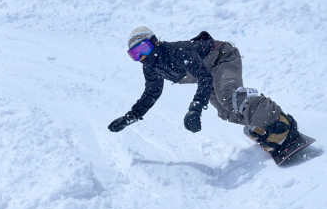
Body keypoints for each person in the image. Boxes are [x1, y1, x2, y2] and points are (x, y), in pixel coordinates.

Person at [108, 26, 299, 157]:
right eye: (135, 54)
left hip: (223, 58)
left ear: (154, 42)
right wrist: (129, 117)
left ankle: (279, 122)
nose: (142, 57)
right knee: (225, 112)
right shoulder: (151, 68)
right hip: (209, 72)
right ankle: (261, 124)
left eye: (143, 48)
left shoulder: (176, 51)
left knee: (228, 98)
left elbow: (204, 77)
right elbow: (151, 94)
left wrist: (195, 108)